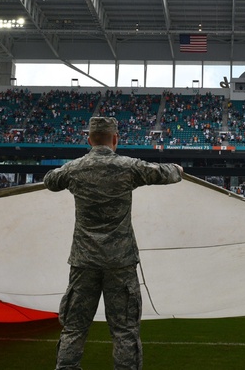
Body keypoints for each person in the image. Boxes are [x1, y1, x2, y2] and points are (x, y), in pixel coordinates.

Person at [44, 116, 183, 370]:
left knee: (74, 328)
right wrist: (178, 169)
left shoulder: (74, 169)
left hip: (84, 262)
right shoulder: (128, 167)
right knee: (125, 331)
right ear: (115, 139)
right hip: (120, 263)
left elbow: (50, 180)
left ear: (89, 140)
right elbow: (164, 173)